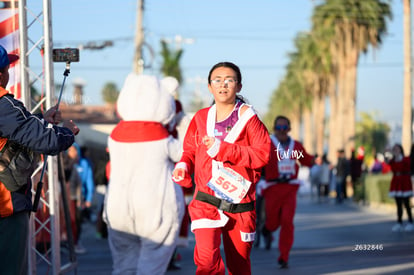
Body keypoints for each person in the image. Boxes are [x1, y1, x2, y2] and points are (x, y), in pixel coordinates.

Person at [172, 61, 271, 275]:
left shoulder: (249, 119)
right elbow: (189, 149)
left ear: (239, 86)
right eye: (217, 80)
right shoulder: (200, 118)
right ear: (209, 87)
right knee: (207, 264)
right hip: (205, 201)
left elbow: (262, 155)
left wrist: (224, 150)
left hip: (240, 205)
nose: (223, 84)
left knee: (239, 266)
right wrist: (183, 165)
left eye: (229, 80)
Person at [0, 44, 79, 275]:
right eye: (8, 68)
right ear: (1, 73)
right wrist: (66, 132)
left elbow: (12, 132)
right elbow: (48, 141)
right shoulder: (5, 105)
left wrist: (40, 119)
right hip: (5, 209)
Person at [104, 73, 185, 275]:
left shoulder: (114, 137)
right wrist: (181, 123)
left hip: (118, 209)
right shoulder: (163, 139)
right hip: (154, 209)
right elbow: (184, 153)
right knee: (152, 265)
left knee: (123, 265)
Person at [260, 115, 314, 269]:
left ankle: (284, 256)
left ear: (289, 129)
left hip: (290, 188)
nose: (282, 131)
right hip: (272, 189)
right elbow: (257, 160)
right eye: (279, 128)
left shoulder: (296, 146)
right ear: (274, 129)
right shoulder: (267, 144)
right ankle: (266, 229)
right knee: (273, 222)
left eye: (284, 128)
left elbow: (306, 160)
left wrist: (315, 161)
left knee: (287, 222)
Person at [387, 144, 414, 232]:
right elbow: (388, 163)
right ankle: (399, 222)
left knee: (406, 203)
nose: (396, 151)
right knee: (398, 204)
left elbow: (408, 167)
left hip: (405, 182)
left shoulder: (406, 159)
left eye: (397, 149)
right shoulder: (393, 161)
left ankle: (410, 221)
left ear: (401, 150)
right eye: (394, 149)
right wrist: (387, 152)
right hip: (396, 182)